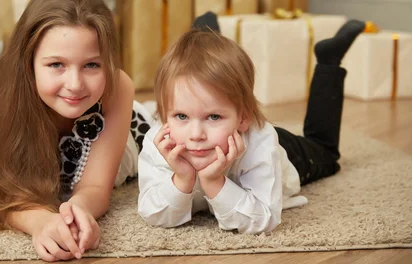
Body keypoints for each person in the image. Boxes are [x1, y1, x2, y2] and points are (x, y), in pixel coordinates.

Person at [0, 0, 153, 262]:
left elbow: (96, 188)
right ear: (28, 62)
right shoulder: (4, 94)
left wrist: (76, 210)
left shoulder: (118, 86)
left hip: (129, 131)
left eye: (92, 65)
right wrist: (40, 223)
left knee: (176, 131)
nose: (74, 84)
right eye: (56, 65)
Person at [137, 14, 366, 234]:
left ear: (243, 117)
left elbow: (263, 218)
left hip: (281, 149)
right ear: (165, 115)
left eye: (213, 117)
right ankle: (207, 34)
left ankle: (329, 63)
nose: (196, 135)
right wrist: (182, 179)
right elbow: (152, 213)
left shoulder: (261, 143)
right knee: (214, 83)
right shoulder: (161, 141)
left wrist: (214, 181)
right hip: (230, 131)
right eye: (181, 116)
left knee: (325, 151)